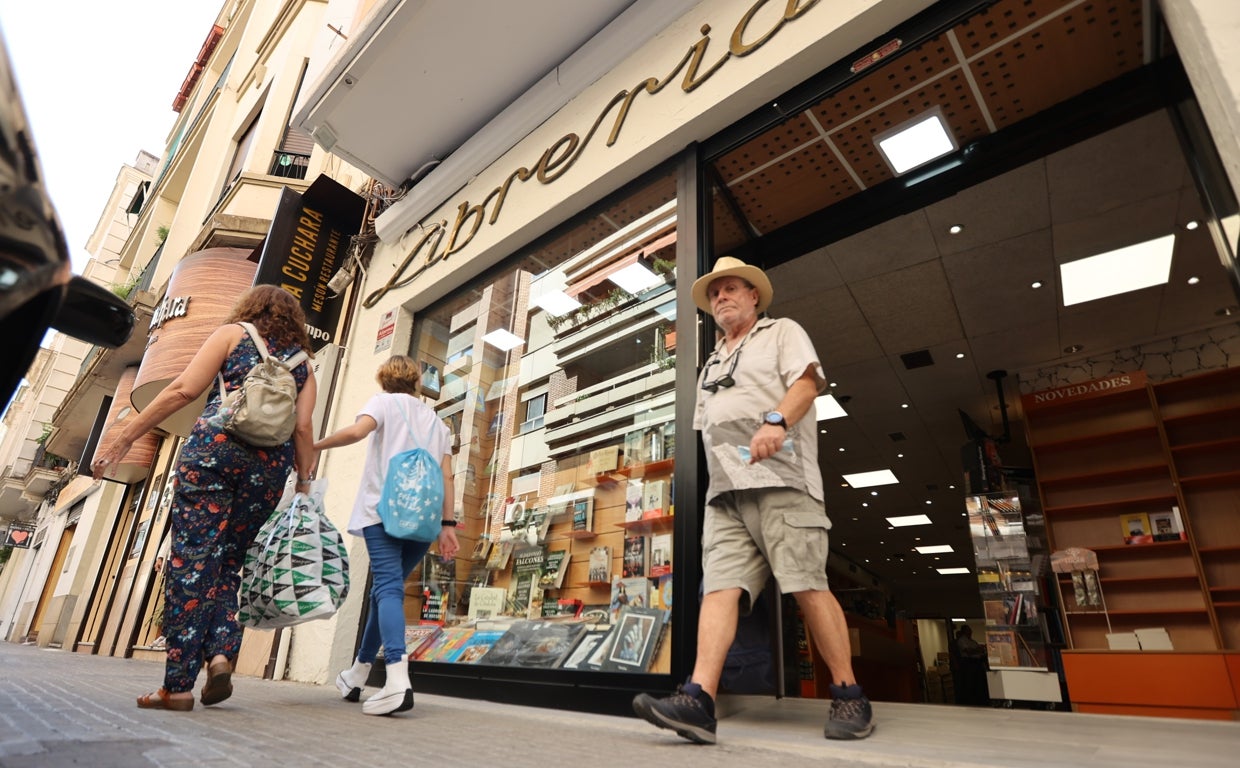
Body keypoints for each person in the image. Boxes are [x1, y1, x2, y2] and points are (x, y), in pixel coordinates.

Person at [632, 256, 874, 743]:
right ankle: (698, 699)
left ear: (754, 297)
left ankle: (850, 696)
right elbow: (707, 428)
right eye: (715, 292)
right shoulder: (711, 362)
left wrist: (777, 422)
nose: (721, 297)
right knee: (719, 588)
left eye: (731, 289)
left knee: (806, 583)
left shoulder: (782, 332)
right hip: (726, 494)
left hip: (782, 480)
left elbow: (807, 384)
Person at [91, 284, 317, 711]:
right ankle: (219, 653)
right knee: (228, 566)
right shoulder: (305, 366)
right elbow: (304, 429)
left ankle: (177, 687)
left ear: (251, 307)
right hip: (267, 471)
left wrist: (124, 439)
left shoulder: (232, 334)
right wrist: (304, 484)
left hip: (213, 453)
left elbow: (182, 391)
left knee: (193, 563)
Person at [314, 355, 458, 716]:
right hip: (423, 520)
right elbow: (448, 476)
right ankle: (358, 674)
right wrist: (448, 526)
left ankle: (396, 679)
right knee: (384, 593)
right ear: (415, 383)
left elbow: (357, 431)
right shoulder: (437, 422)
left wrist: (315, 445)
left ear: (384, 380)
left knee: (389, 588)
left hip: (384, 512)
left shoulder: (381, 403)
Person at [953, 624, 989, 706]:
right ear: (965, 631)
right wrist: (977, 649)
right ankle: (972, 701)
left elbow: (980, 650)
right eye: (969, 630)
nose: (971, 632)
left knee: (979, 683)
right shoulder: (962, 640)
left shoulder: (972, 641)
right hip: (969, 664)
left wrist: (979, 650)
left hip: (977, 663)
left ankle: (981, 700)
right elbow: (968, 652)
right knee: (971, 683)